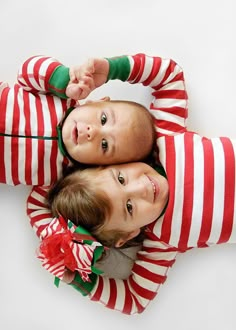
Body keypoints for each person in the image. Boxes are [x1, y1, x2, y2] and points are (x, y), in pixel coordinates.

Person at [27, 51, 236, 315]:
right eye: (129, 208)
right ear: (129, 234)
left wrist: (112, 69)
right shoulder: (163, 241)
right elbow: (134, 300)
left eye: (122, 178)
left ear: (117, 162)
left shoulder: (163, 138)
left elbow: (169, 75)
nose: (142, 189)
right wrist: (77, 279)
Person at [0, 55, 155, 186]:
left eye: (104, 144)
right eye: (103, 119)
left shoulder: (62, 177)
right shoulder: (61, 98)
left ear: (98, 165)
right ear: (97, 102)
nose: (92, 132)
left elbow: (38, 208)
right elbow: (26, 71)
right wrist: (63, 80)